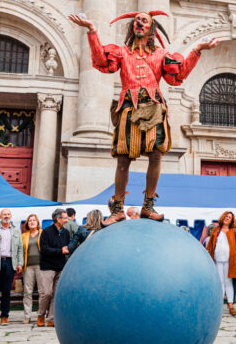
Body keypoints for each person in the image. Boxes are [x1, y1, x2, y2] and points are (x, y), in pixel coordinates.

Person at [69, 11, 219, 224]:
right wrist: (92, 30)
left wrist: (196, 50)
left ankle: (148, 206)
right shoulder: (121, 52)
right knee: (123, 158)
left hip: (153, 106)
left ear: (151, 28)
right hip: (129, 106)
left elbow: (179, 75)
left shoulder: (161, 55)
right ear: (133, 27)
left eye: (144, 20)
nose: (140, 22)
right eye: (137, 20)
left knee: (156, 154)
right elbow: (101, 60)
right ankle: (118, 209)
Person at [38, 208, 71, 327]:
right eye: (65, 218)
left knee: (56, 294)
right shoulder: (46, 232)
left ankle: (51, 318)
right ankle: (41, 315)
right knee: (46, 293)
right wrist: (60, 251)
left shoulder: (66, 233)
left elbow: (67, 247)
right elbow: (44, 249)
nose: (67, 220)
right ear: (58, 219)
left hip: (60, 266)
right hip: (47, 267)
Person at [206, 211, 236, 316]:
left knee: (228, 282)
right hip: (218, 259)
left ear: (232, 220)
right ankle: (219, 305)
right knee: (220, 282)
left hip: (230, 260)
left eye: (230, 217)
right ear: (223, 217)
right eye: (226, 216)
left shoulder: (234, 231)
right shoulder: (216, 230)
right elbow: (211, 245)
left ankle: (231, 305)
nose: (227, 218)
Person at [21, 214, 43, 324]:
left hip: (41, 265)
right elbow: (21, 251)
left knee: (42, 291)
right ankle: (27, 315)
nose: (32, 222)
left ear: (38, 222)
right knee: (27, 291)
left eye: (34, 220)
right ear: (27, 224)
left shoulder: (43, 234)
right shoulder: (24, 236)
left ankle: (41, 314)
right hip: (28, 266)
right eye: (30, 220)